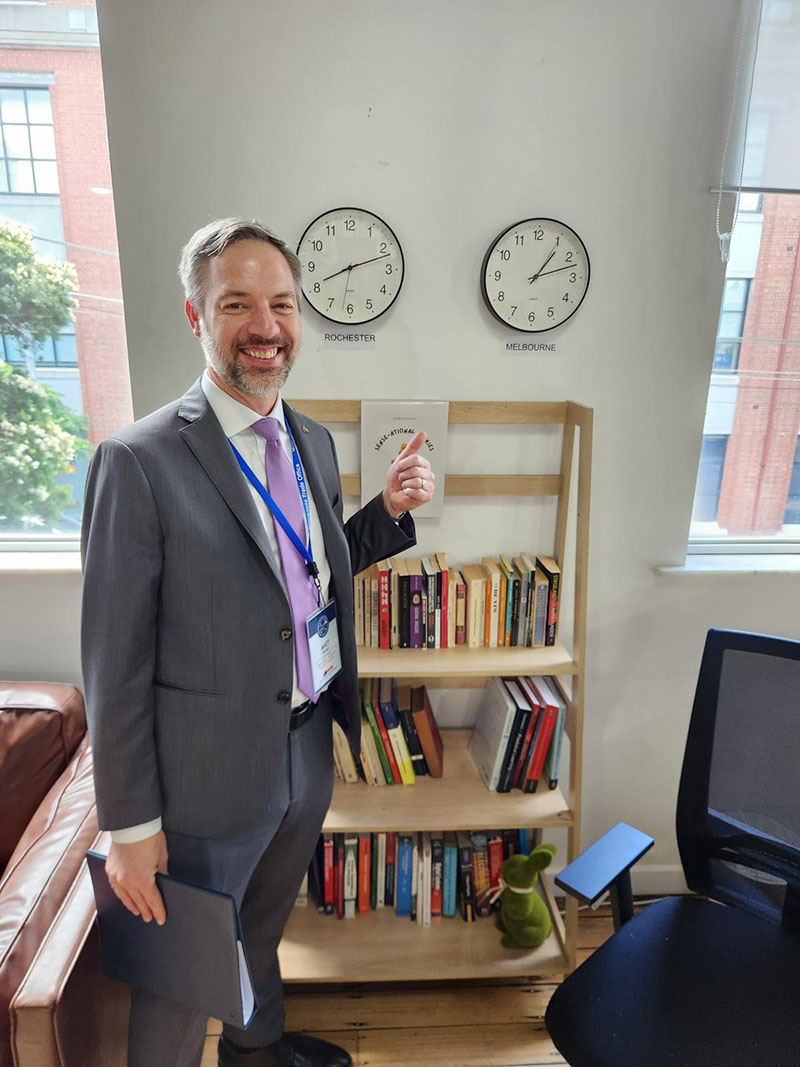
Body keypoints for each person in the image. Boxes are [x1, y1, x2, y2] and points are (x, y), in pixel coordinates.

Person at [80, 217, 434, 1067]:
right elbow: (111, 664)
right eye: (237, 303)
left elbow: (305, 572)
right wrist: (131, 822)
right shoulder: (137, 461)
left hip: (307, 750)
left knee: (261, 928)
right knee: (177, 976)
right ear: (197, 317)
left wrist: (383, 516)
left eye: (281, 303)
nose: (266, 325)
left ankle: (255, 1051)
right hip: (201, 781)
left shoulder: (308, 438)